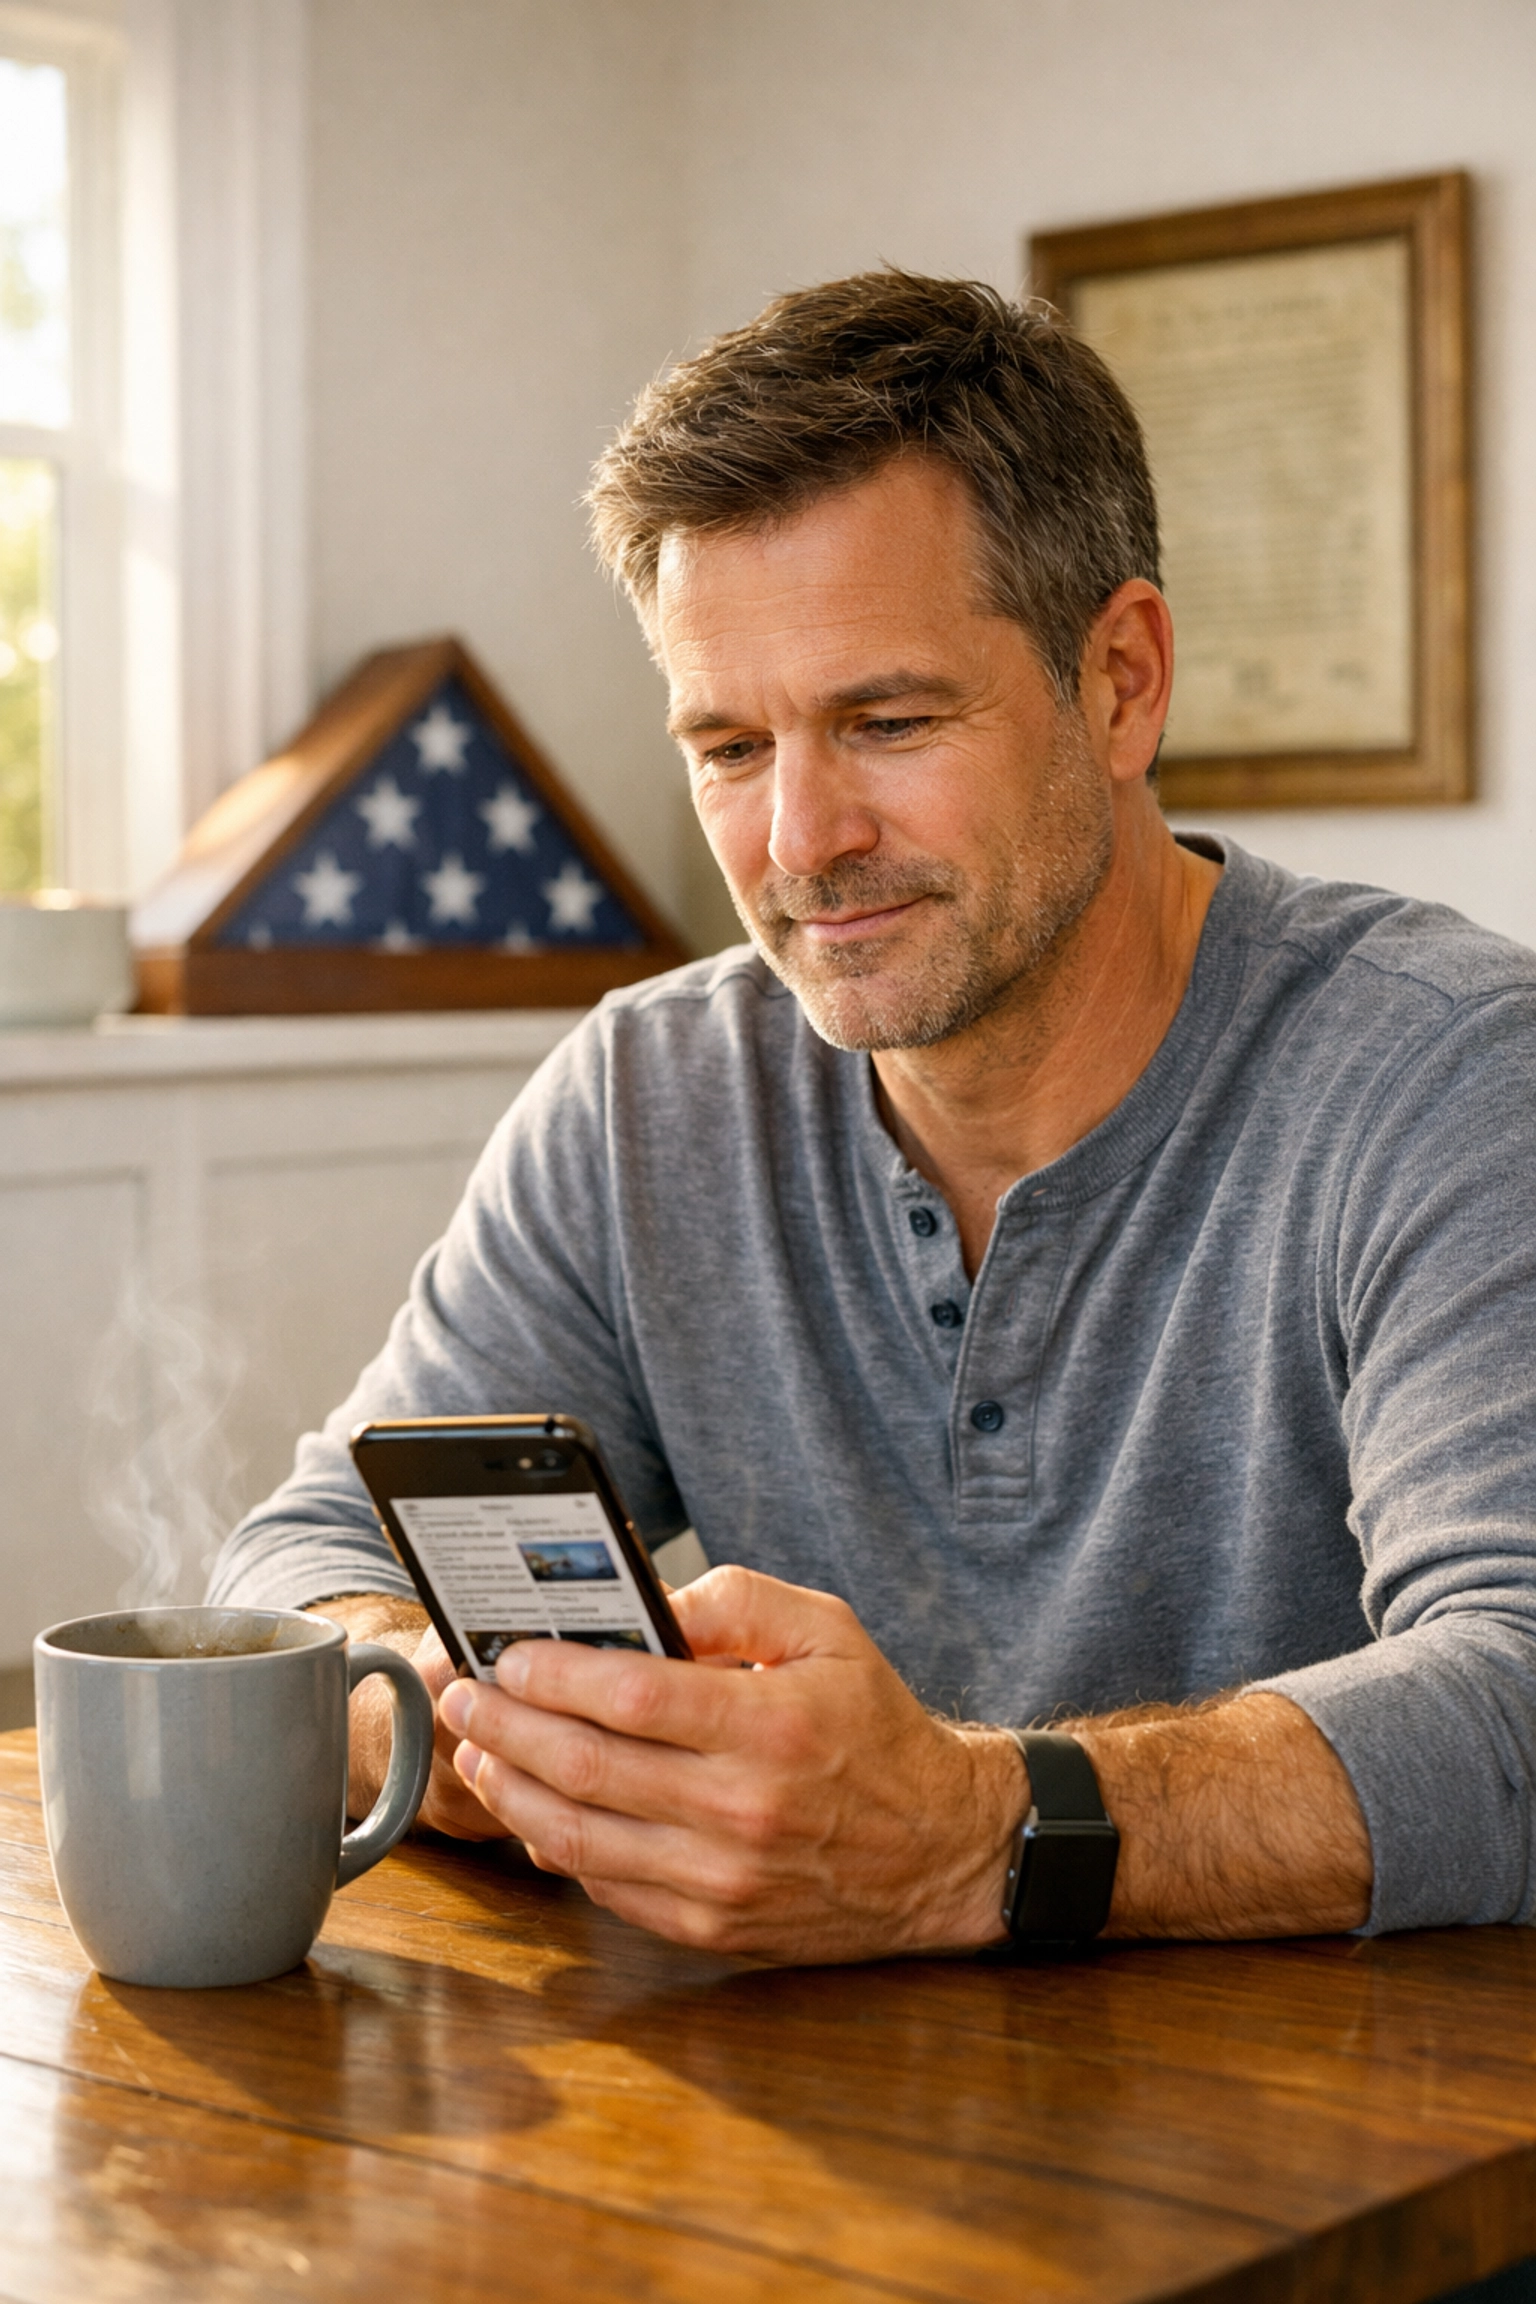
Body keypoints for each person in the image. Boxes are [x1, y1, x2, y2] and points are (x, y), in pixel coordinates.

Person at [210, 270, 1536, 1962]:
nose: (799, 841)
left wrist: (975, 1835)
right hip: (801, 2146)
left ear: (1124, 681)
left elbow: (1518, 1689)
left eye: (887, 723)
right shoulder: (647, 1095)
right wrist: (479, 1727)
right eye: (730, 746)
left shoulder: (1452, 1075)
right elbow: (300, 1562)